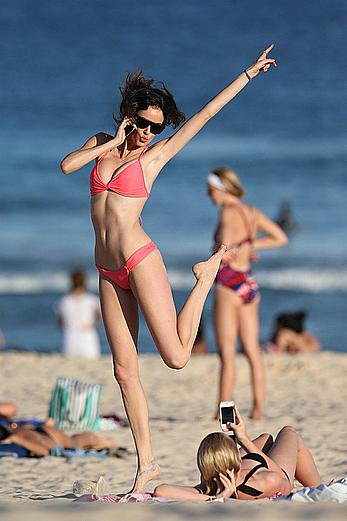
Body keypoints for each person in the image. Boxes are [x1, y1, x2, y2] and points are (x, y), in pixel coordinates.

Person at [60, 45, 277, 492]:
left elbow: (204, 116)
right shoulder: (101, 144)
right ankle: (146, 466)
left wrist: (247, 75)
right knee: (124, 371)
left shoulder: (153, 158)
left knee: (177, 358)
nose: (147, 133)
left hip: (140, 260)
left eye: (154, 128)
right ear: (128, 116)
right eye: (141, 124)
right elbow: (66, 166)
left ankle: (204, 278)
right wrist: (116, 139)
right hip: (106, 270)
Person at [207, 167, 288, 420]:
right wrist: (252, 244)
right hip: (248, 281)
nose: (209, 196)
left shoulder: (227, 214)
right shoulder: (251, 212)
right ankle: (258, 409)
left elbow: (225, 250)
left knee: (227, 353)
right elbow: (280, 238)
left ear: (222, 188)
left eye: (210, 191)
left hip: (229, 282)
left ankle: (222, 411)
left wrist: (219, 255)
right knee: (253, 350)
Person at [154, 406, 321, 501]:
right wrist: (245, 441)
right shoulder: (263, 482)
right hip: (252, 474)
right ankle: (318, 488)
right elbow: (285, 482)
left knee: (266, 438)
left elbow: (161, 490)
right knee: (289, 432)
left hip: (232, 472)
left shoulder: (207, 488)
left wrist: (215, 498)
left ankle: (242, 440)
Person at [0, 417, 119, 457]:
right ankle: (107, 444)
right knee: (79, 439)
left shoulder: (17, 437)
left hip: (52, 438)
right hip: (46, 433)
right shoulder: (17, 432)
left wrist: (15, 439)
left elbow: (43, 451)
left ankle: (110, 444)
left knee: (79, 441)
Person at [56, 269, 102, 358]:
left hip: (70, 339)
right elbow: (103, 316)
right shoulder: (91, 300)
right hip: (87, 338)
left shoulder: (64, 301)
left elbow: (60, 323)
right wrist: (93, 323)